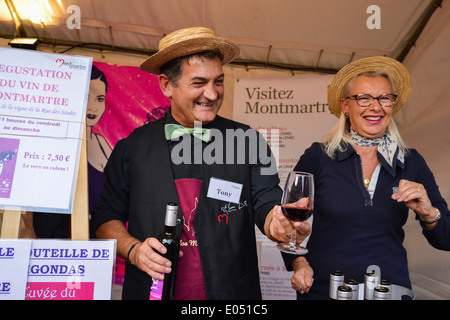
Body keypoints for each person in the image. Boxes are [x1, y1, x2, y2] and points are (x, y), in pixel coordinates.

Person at [90, 27, 309, 300]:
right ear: (166, 85)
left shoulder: (246, 141)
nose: (213, 94)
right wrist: (134, 250)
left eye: (218, 81)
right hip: (151, 292)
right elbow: (104, 217)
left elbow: (266, 201)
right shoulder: (132, 147)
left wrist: (278, 227)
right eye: (198, 83)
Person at [281, 56, 450, 299]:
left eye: (384, 98)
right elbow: (286, 221)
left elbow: (446, 239)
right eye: (363, 98)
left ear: (392, 105)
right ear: (345, 106)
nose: (375, 107)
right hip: (324, 291)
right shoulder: (319, 156)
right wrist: (299, 263)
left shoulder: (411, 161)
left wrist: (428, 212)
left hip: (389, 291)